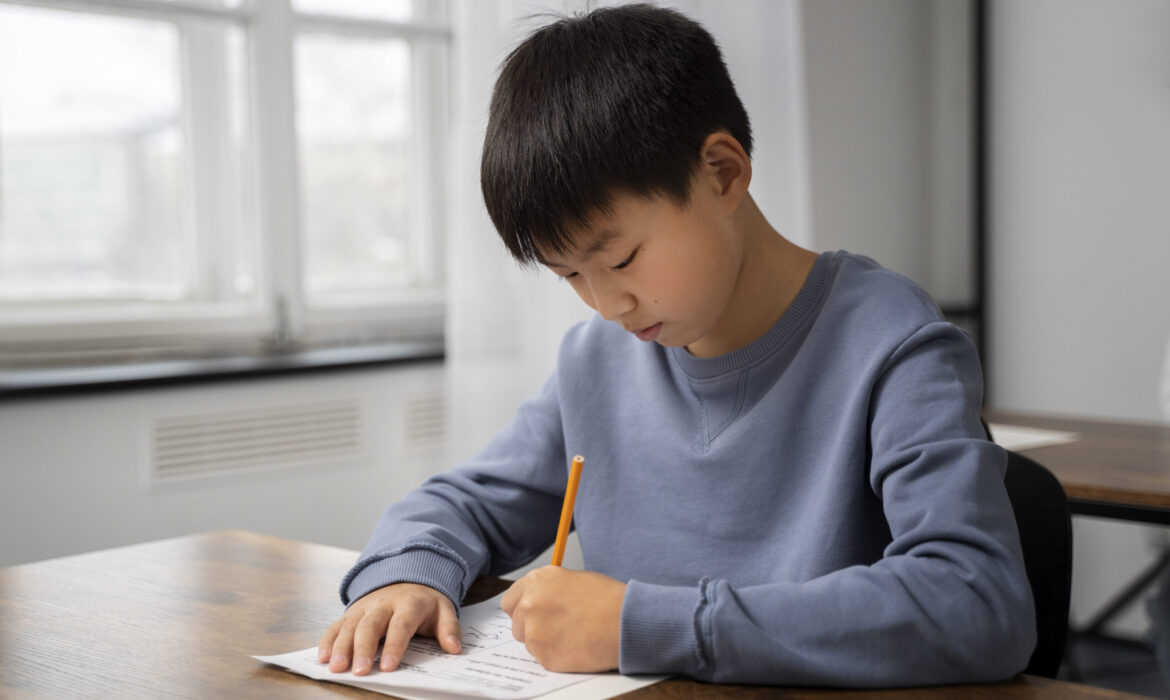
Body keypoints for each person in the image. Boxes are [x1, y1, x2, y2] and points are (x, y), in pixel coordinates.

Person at [316, 3, 1036, 686]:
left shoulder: (890, 340)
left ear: (723, 172)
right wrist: (408, 571)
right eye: (571, 275)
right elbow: (460, 504)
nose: (607, 304)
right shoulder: (596, 364)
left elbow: (976, 601)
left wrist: (646, 622)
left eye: (622, 259)